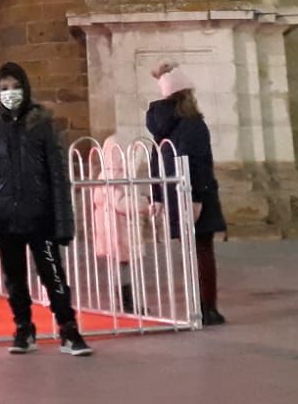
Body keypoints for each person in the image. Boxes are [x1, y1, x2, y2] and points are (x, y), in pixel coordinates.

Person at [0, 62, 92, 356]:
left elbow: (57, 176)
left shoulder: (42, 126)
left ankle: (68, 327)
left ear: (25, 88)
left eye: (15, 87)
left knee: (52, 273)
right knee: (14, 277)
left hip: (41, 217)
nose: (10, 93)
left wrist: (64, 222)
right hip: (5, 218)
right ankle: (23, 328)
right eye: (4, 88)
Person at [146, 66, 227, 325]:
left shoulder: (161, 127)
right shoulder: (192, 125)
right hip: (194, 195)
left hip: (173, 196)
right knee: (203, 252)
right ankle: (207, 308)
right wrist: (198, 199)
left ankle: (196, 304)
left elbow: (154, 162)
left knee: (189, 253)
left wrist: (157, 196)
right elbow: (199, 163)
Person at [90, 136, 143, 314]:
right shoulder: (114, 176)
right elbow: (119, 203)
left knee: (121, 266)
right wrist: (144, 204)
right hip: (117, 230)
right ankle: (126, 302)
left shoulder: (109, 174)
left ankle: (124, 300)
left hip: (115, 229)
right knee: (122, 267)